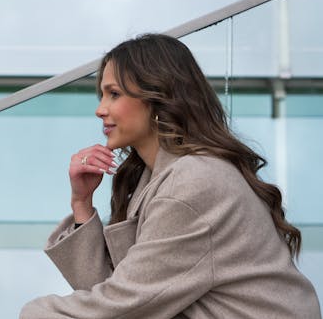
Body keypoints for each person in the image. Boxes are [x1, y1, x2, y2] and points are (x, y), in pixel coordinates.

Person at [20, 33, 321, 319]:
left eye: (113, 94)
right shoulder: (158, 178)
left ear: (158, 97)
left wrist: (34, 313)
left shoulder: (193, 182)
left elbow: (125, 307)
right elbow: (122, 296)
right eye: (102, 95)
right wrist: (82, 203)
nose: (100, 110)